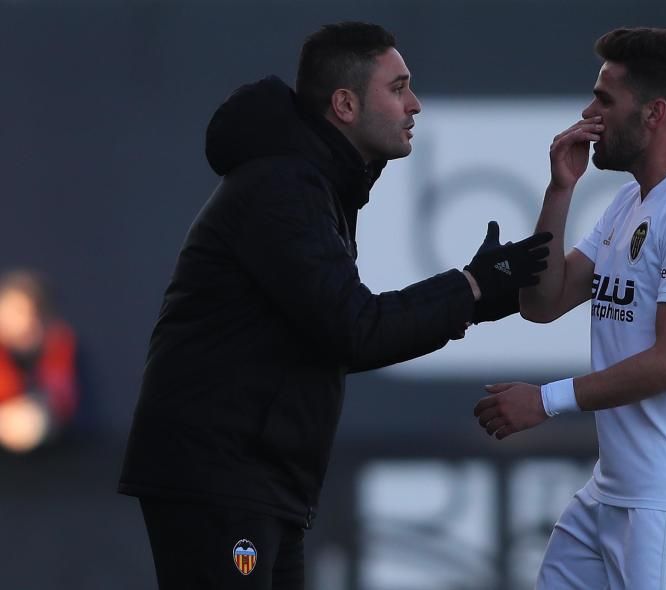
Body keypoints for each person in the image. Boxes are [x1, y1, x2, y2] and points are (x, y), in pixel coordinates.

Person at [118, 22, 551, 590]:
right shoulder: (284, 188)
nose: (415, 104)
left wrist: (477, 296)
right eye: (398, 88)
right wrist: (469, 288)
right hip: (222, 481)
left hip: (256, 483)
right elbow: (353, 329)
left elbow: (341, 328)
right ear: (345, 104)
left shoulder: (311, 183)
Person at [473, 27, 666, 589]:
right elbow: (544, 302)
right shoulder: (632, 201)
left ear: (653, 113)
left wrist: (546, 401)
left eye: (605, 99)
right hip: (613, 490)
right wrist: (561, 190)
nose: (588, 111)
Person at [0, 270, 79, 453]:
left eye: (35, 313)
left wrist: (39, 415)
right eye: (17, 312)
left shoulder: (60, 344)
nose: (26, 322)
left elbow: (63, 400)